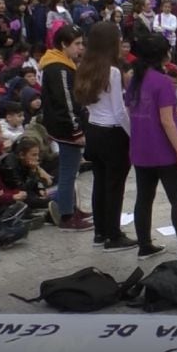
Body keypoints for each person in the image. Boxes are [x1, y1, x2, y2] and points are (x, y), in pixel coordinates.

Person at [126, 33, 177, 263]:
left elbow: (129, 111)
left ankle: (144, 245)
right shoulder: (163, 82)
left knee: (144, 198)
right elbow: (167, 120)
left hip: (140, 149)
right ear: (163, 55)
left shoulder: (134, 79)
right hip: (162, 150)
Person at [74, 22, 136, 252]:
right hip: (112, 132)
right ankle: (114, 235)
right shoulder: (112, 71)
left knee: (100, 183)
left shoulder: (85, 66)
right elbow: (119, 110)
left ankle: (100, 232)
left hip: (94, 129)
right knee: (114, 185)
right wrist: (133, 133)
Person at [39, 24, 93, 231]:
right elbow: (66, 101)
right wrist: (77, 130)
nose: (81, 48)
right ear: (63, 44)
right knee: (69, 171)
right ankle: (66, 215)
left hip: (64, 125)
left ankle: (70, 206)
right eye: (77, 44)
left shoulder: (64, 63)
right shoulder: (58, 68)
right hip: (66, 128)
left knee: (71, 169)